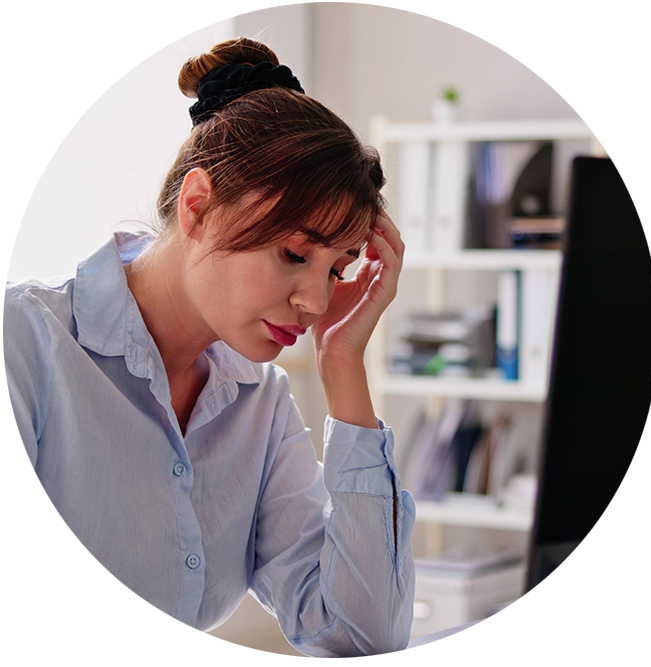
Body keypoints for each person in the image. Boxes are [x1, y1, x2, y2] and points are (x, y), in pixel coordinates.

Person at [3, 37, 415, 657]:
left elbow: (363, 638)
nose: (315, 300)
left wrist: (343, 364)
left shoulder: (259, 404)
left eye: (338, 269)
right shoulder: (26, 345)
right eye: (294, 254)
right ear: (198, 206)